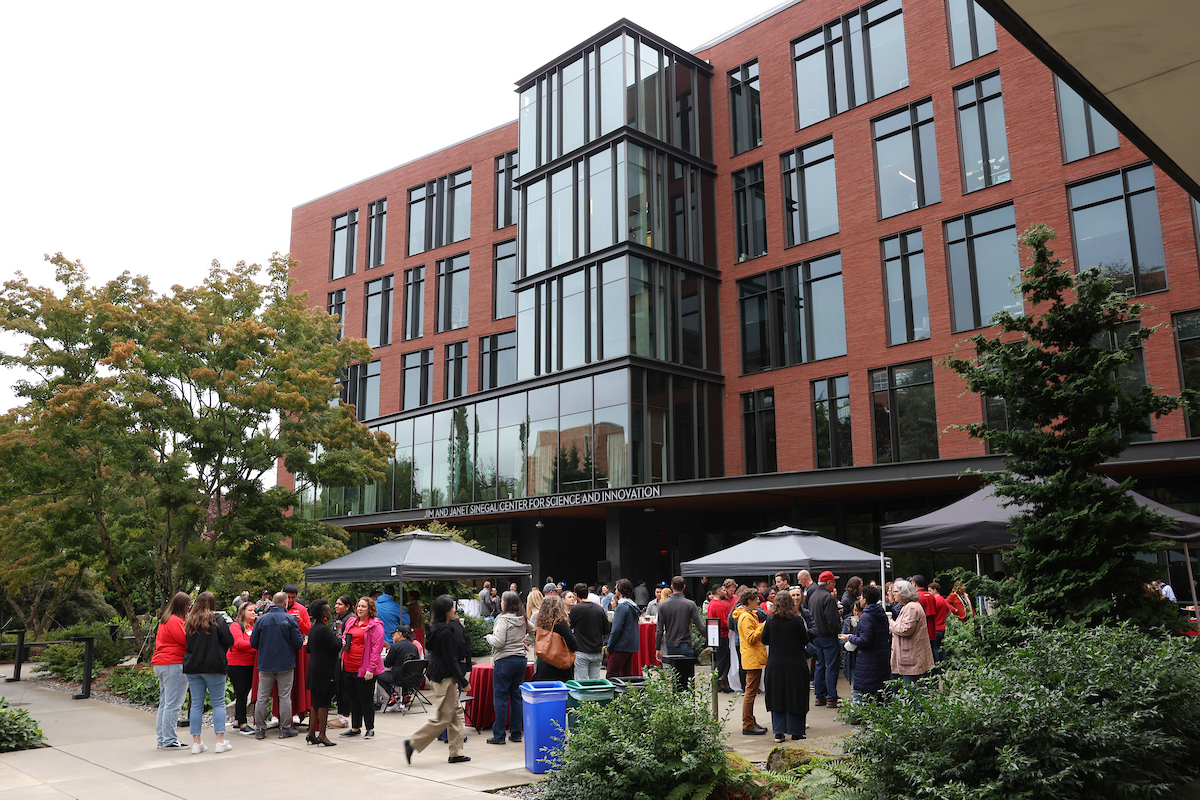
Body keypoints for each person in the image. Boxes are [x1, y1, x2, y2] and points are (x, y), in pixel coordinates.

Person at [404, 595, 472, 765]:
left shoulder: (436, 628)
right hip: (444, 678)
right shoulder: (445, 632)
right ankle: (413, 742)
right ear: (447, 610)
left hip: (440, 676)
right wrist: (463, 681)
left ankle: (455, 753)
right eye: (453, 606)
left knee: (456, 714)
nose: (455, 608)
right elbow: (450, 660)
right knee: (444, 717)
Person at [183, 591, 235, 754]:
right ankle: (220, 741)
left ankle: (196, 743)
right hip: (214, 666)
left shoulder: (189, 621)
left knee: (196, 704)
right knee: (218, 702)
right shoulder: (217, 619)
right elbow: (229, 640)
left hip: (193, 666)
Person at [250, 591, 304, 740]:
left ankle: (260, 729)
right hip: (285, 663)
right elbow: (299, 643)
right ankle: (285, 728)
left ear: (272, 602)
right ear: (285, 602)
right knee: (285, 697)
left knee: (262, 697)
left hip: (265, 663)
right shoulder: (289, 619)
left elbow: (253, 642)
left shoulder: (261, 620)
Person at [484, 591, 533, 745]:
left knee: (501, 698)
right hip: (520, 661)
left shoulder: (503, 619)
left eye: (502, 601)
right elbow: (534, 630)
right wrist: (526, 641)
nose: (500, 603)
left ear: (506, 603)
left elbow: (498, 642)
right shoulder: (522, 618)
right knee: (516, 698)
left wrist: (488, 637)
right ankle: (516, 733)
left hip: (504, 661)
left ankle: (499, 736)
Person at [762, 589, 809, 743]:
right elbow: (805, 640)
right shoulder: (796, 620)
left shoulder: (770, 620)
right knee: (796, 696)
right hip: (795, 663)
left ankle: (779, 732)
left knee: (777, 696)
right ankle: (796, 731)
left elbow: (764, 639)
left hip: (775, 664)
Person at [339, 596, 385, 739]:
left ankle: (370, 728)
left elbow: (376, 649)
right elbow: (345, 638)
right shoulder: (351, 622)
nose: (359, 609)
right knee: (353, 698)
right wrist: (342, 641)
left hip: (364, 668)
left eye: (363, 607)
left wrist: (371, 669)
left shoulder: (375, 625)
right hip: (349, 665)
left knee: (365, 699)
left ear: (370, 609)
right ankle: (355, 727)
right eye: (358, 606)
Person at [153, 592, 191, 749]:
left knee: (165, 703)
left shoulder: (165, 620)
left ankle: (163, 739)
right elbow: (186, 640)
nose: (189, 608)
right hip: (173, 663)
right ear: (183, 606)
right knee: (174, 704)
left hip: (161, 663)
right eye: (188, 605)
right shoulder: (176, 621)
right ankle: (169, 740)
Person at [844, 585, 891, 708]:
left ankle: (860, 717)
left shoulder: (866, 616)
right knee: (878, 693)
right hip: (881, 659)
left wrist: (850, 638)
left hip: (867, 661)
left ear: (864, 599)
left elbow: (865, 640)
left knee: (861, 691)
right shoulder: (882, 614)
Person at [655, 575, 705, 689]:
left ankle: (676, 701)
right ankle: (687, 701)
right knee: (687, 678)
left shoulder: (662, 605)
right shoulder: (690, 604)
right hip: (685, 643)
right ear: (684, 587)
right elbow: (700, 626)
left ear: (672, 587)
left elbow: (659, 629)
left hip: (670, 643)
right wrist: (712, 640)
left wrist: (657, 647)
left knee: (675, 676)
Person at [303, 599, 340, 746]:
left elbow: (308, 649)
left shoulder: (313, 628)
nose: (330, 613)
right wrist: (339, 632)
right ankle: (322, 735)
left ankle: (311, 733)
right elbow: (336, 647)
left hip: (313, 668)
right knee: (324, 703)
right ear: (324, 613)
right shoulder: (325, 630)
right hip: (325, 670)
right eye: (329, 611)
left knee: (315, 703)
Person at [733, 588, 767, 735]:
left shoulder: (747, 615)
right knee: (750, 693)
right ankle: (748, 724)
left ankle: (750, 721)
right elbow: (751, 638)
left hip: (753, 657)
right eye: (756, 599)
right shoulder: (746, 617)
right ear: (749, 601)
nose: (758, 601)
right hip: (752, 658)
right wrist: (763, 626)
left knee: (751, 692)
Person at [889, 579, 934, 689]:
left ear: (904, 593)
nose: (893, 594)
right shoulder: (909, 606)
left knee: (913, 693)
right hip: (910, 657)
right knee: (914, 691)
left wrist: (890, 622)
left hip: (912, 658)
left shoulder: (911, 607)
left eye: (895, 592)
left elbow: (906, 629)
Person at [810, 570, 842, 709]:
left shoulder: (813, 596)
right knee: (831, 667)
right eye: (833, 581)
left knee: (820, 666)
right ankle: (832, 698)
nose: (834, 584)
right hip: (828, 637)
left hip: (817, 636)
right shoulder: (828, 598)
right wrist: (837, 633)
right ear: (828, 583)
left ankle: (820, 696)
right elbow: (833, 622)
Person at [281, 583, 312, 727]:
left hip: (297, 650)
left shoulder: (301, 610)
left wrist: (299, 622)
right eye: (288, 597)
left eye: (293, 597)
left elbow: (308, 631)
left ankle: (297, 712)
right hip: (281, 649)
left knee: (297, 681)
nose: (291, 600)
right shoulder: (277, 608)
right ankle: (279, 714)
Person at [226, 600, 257, 734]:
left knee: (243, 693)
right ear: (242, 612)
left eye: (253, 610)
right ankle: (243, 724)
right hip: (237, 665)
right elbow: (238, 644)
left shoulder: (252, 626)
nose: (253, 613)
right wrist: (256, 643)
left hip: (249, 664)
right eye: (249, 610)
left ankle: (238, 721)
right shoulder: (235, 626)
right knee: (241, 693)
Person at [569, 582, 610, 680]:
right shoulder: (599, 609)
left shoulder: (576, 609)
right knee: (595, 681)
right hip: (597, 650)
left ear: (576, 595)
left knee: (581, 681)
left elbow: (570, 626)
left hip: (582, 650)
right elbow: (606, 629)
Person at [533, 594, 577, 682]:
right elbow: (572, 643)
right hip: (559, 663)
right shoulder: (560, 622)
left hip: (544, 663)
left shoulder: (540, 623)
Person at [380, 624, 422, 711]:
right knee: (404, 671)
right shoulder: (413, 647)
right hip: (413, 678)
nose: (392, 637)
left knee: (378, 675)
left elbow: (387, 663)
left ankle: (393, 694)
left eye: (394, 634)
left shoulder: (395, 646)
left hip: (398, 678)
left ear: (400, 634)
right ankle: (405, 693)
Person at [606, 578, 640, 678]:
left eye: (616, 589)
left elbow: (616, 629)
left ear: (620, 590)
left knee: (611, 675)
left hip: (620, 645)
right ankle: (626, 694)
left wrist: (609, 646)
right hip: (630, 645)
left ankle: (614, 694)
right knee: (626, 676)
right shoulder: (632, 606)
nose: (615, 591)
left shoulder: (622, 606)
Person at [329, 594, 354, 729]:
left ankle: (345, 717)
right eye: (336, 603)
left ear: (347, 606)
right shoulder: (339, 618)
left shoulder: (351, 619)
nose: (336, 606)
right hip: (336, 656)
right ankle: (340, 715)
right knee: (338, 687)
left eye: (339, 604)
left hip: (345, 657)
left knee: (345, 687)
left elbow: (347, 641)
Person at [707, 582, 735, 692]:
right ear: (718, 592)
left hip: (716, 635)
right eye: (723, 590)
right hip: (722, 635)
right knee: (724, 659)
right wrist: (731, 626)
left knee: (721, 658)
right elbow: (723, 622)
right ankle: (721, 680)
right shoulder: (718, 605)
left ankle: (720, 681)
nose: (725, 592)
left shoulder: (711, 604)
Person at [927, 581, 951, 661]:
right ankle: (943, 665)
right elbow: (949, 611)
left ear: (935, 590)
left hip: (935, 627)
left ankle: (937, 667)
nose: (929, 593)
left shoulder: (935, 601)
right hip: (942, 627)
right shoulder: (943, 600)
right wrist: (943, 618)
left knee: (934, 648)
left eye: (930, 591)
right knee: (941, 647)